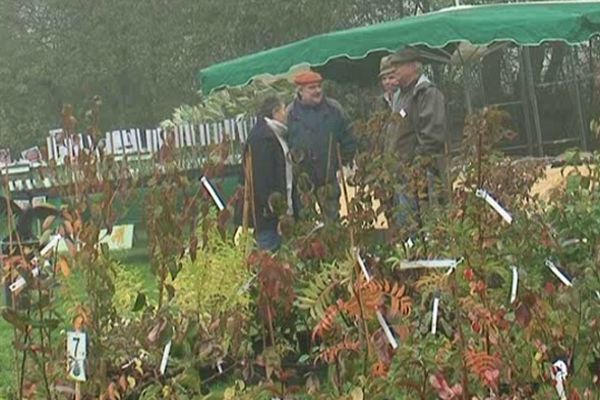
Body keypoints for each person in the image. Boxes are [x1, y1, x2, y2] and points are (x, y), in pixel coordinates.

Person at [388, 47, 448, 226]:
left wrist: (414, 165)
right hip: (402, 175)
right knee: (405, 226)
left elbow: (432, 137)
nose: (394, 71)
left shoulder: (427, 93)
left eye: (399, 66)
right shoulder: (400, 96)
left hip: (421, 175)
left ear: (414, 66)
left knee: (423, 226)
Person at [286, 70, 356, 221]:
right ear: (300, 91)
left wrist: (339, 163)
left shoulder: (334, 110)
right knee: (306, 224)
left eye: (319, 86)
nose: (317, 91)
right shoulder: (289, 114)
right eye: (312, 88)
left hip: (328, 179)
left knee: (332, 224)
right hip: (303, 183)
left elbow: (349, 135)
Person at [243, 96, 293, 251]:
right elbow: (264, 182)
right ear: (275, 112)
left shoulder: (275, 134)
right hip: (269, 219)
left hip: (277, 215)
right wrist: (279, 215)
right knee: (270, 264)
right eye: (284, 109)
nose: (286, 114)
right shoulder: (263, 138)